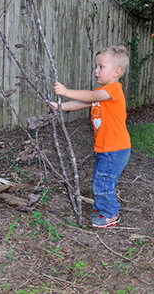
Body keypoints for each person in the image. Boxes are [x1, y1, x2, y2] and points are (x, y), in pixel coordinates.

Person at [51, 45, 131, 228]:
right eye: (96, 66)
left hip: (115, 148)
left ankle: (110, 214)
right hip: (108, 147)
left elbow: (91, 95)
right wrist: (59, 106)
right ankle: (102, 208)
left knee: (103, 181)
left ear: (116, 71)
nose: (96, 70)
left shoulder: (113, 90)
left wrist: (65, 91)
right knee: (100, 179)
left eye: (101, 67)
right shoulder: (103, 93)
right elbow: (81, 102)